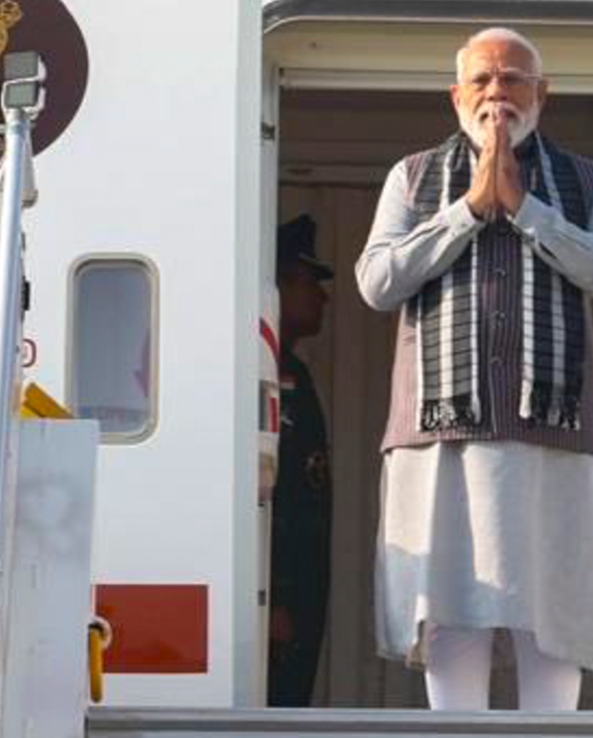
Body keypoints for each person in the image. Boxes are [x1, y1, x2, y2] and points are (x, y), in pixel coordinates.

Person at [356, 27, 593, 711]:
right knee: (450, 612)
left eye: (513, 79)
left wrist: (525, 210)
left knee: (554, 619)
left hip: (553, 437)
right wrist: (468, 212)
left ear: (542, 94)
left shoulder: (587, 181)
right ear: (456, 95)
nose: (497, 93)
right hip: (439, 439)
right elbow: (376, 281)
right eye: (481, 80)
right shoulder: (413, 176)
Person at [268, 214, 334, 707]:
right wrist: (274, 598)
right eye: (312, 282)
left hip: (303, 594)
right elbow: (272, 496)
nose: (323, 297)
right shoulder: (260, 374)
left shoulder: (292, 373)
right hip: (281, 600)